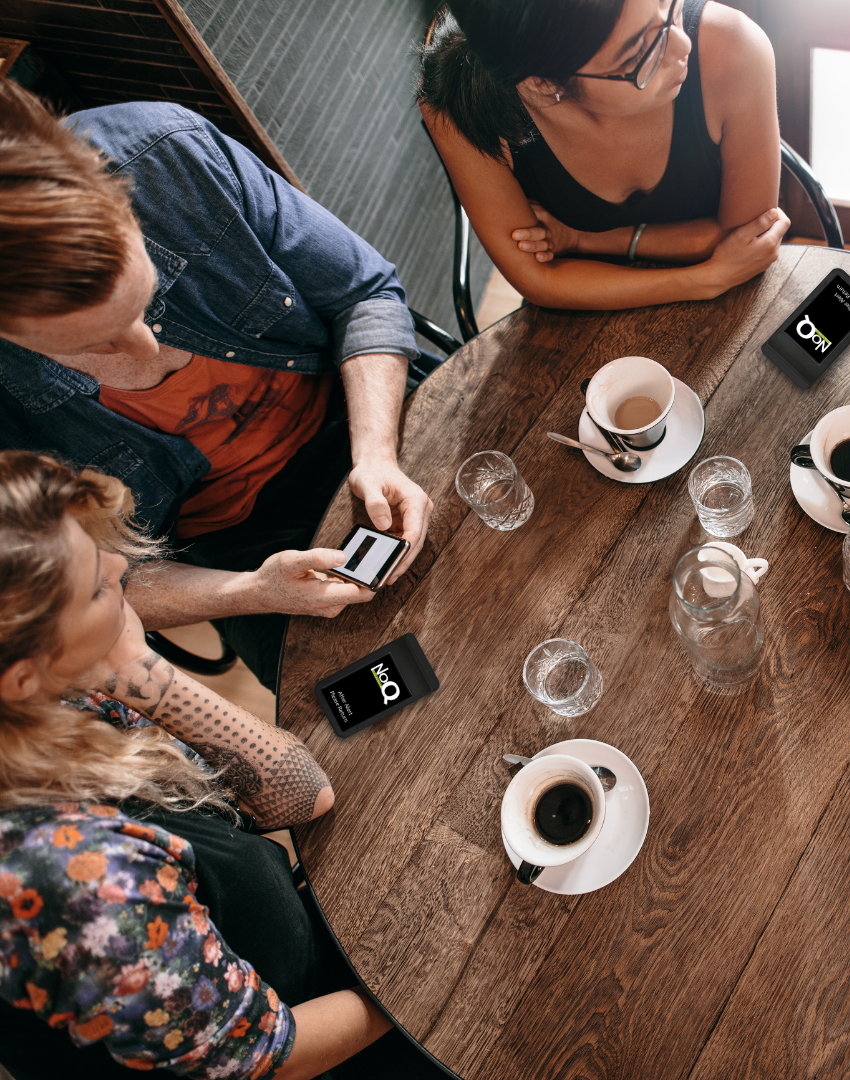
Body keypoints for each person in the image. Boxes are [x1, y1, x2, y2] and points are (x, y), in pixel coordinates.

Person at [0, 450, 444, 1079]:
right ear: (23, 675)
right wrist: (408, 989)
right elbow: (268, 1057)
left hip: (278, 943)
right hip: (298, 1033)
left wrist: (128, 665)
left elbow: (299, 795)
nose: (122, 568)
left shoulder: (61, 692)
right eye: (97, 587)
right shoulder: (77, 882)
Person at [0, 80, 434, 691]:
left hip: (366, 411)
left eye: (145, 299)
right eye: (92, 345)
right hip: (240, 546)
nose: (146, 349)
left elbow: (364, 296)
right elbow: (86, 589)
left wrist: (376, 452)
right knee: (381, 718)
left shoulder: (167, 155)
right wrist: (253, 591)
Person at [419, 0, 790, 311]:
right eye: (639, 54)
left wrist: (584, 241)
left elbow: (748, 240)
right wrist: (705, 279)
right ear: (543, 84)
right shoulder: (459, 101)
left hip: (733, 300)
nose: (681, 46)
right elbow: (538, 280)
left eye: (666, 4)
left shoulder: (733, 46)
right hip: (580, 317)